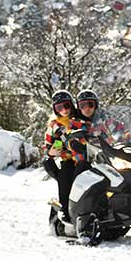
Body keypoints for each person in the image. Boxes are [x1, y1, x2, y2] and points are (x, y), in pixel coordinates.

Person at [43, 90, 85, 221]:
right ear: (55, 109)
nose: (64, 110)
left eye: (66, 105)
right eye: (59, 107)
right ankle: (66, 212)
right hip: (69, 160)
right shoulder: (55, 125)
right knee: (65, 178)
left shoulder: (80, 119)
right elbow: (49, 146)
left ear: (71, 105)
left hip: (88, 157)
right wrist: (52, 150)